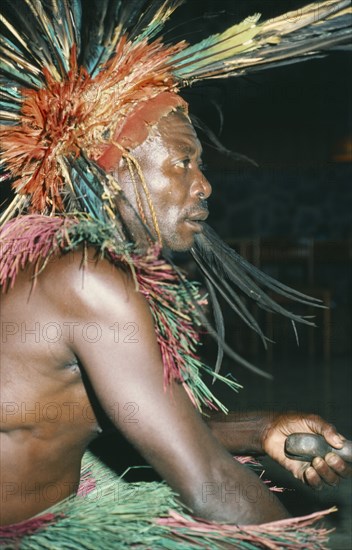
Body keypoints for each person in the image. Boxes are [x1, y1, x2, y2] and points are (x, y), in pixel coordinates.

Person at [1, 1, 351, 548]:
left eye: (201, 165)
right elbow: (208, 483)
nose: (205, 184)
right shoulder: (87, 281)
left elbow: (136, 418)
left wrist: (262, 428)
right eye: (183, 162)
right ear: (114, 175)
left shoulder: (79, 273)